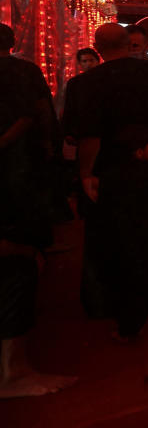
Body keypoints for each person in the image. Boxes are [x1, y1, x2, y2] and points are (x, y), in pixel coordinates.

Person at [0, 23, 76, 398]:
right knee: (17, 262)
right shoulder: (22, 71)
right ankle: (12, 372)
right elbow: (36, 114)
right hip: (15, 171)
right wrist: (46, 145)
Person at [76, 24, 148, 320]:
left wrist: (86, 173)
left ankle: (107, 302)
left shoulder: (86, 83)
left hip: (110, 166)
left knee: (106, 235)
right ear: (128, 43)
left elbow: (90, 136)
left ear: (97, 47)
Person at [95, 126, 148, 340]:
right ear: (138, 152)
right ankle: (129, 327)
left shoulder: (111, 176)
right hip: (141, 236)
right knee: (138, 281)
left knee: (125, 281)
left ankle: (126, 324)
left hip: (119, 237)